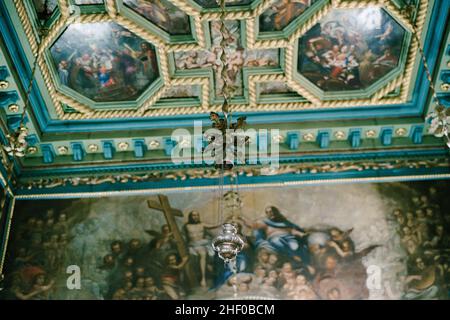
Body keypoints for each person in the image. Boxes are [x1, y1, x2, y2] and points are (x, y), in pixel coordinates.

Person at [240, 206, 310, 267]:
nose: (271, 213)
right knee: (276, 241)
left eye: (272, 211)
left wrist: (301, 234)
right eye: (268, 212)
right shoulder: (265, 222)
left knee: (295, 246)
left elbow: (293, 229)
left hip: (289, 237)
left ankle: (303, 262)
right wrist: (242, 218)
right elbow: (252, 225)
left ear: (276, 212)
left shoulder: (284, 222)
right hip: (274, 238)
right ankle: (292, 256)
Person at [183, 211, 219, 287]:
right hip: (193, 245)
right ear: (190, 217)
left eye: (197, 215)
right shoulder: (186, 226)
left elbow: (213, 226)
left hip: (202, 244)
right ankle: (202, 278)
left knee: (204, 253)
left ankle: (204, 278)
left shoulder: (202, 224)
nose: (195, 217)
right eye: (193, 215)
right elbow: (183, 236)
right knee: (201, 254)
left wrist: (225, 221)